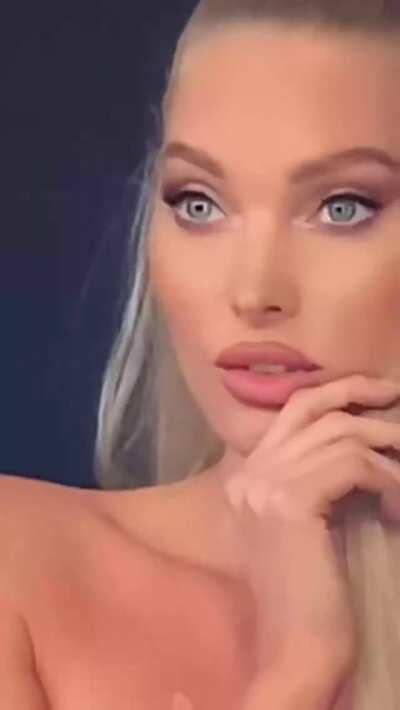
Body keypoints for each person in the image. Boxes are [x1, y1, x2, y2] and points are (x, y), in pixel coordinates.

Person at [2, 0, 400, 708]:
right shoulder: (17, 560)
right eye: (198, 203)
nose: (253, 293)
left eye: (343, 207)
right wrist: (302, 669)